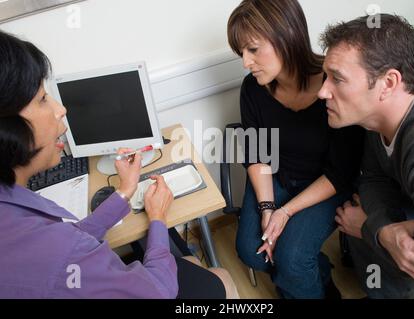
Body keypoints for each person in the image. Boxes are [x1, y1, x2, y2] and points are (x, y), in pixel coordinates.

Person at [0, 30, 239, 299]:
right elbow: (159, 291)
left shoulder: (18, 223)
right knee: (221, 278)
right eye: (43, 99)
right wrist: (158, 219)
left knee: (188, 264)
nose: (60, 110)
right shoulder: (60, 253)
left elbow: (69, 238)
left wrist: (125, 191)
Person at [227, 0, 364, 299]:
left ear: (285, 36)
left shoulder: (333, 82)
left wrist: (285, 212)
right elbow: (256, 154)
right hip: (276, 178)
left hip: (325, 183)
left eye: (252, 49)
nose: (245, 63)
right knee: (252, 252)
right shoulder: (252, 88)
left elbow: (341, 172)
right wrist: (267, 209)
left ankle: (305, 277)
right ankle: (316, 274)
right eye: (241, 53)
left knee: (291, 259)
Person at [318, 14, 414, 298]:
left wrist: (372, 229)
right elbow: (374, 176)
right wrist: (384, 231)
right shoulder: (379, 115)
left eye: (337, 79)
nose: (322, 91)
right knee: (358, 211)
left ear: (388, 83)